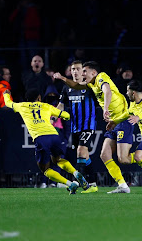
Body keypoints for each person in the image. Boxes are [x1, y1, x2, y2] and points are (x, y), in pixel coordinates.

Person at [54, 61, 142, 193]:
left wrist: (105, 109)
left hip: (123, 119)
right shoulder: (90, 84)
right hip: (114, 122)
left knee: (124, 159)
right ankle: (122, 185)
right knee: (104, 155)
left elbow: (107, 91)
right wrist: (63, 78)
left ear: (93, 72)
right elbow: (75, 85)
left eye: (84, 71)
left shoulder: (101, 77)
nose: (82, 74)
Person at [3, 88, 90, 195]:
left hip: (41, 138)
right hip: (54, 135)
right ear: (39, 98)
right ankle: (76, 173)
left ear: (27, 99)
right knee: (58, 160)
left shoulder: (22, 106)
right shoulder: (46, 106)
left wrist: (6, 95)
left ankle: (69, 184)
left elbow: (8, 103)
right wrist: (63, 118)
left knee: (45, 169)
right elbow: (66, 115)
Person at [57, 60, 98, 193]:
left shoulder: (89, 86)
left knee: (81, 151)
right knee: (84, 156)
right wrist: (54, 116)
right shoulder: (66, 87)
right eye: (73, 69)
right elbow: (61, 105)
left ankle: (76, 182)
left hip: (88, 126)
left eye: (78, 69)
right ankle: (93, 183)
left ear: (83, 71)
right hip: (75, 127)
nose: (75, 71)